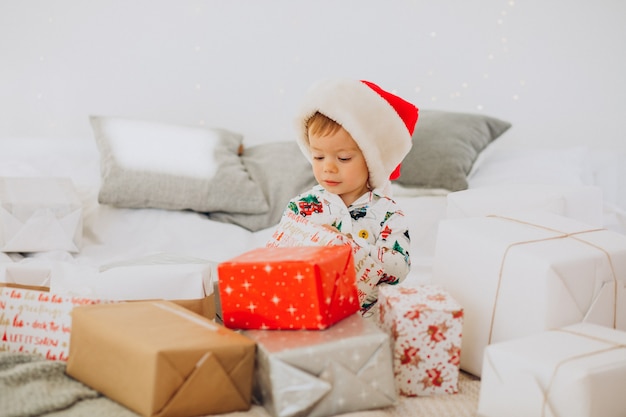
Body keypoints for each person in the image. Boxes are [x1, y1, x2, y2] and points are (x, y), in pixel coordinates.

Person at [281, 78, 419, 314]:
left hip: (366, 322)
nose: (328, 168)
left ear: (372, 159)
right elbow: (278, 258)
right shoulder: (302, 207)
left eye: (343, 158)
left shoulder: (387, 213)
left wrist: (349, 248)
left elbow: (399, 268)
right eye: (318, 157)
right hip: (307, 315)